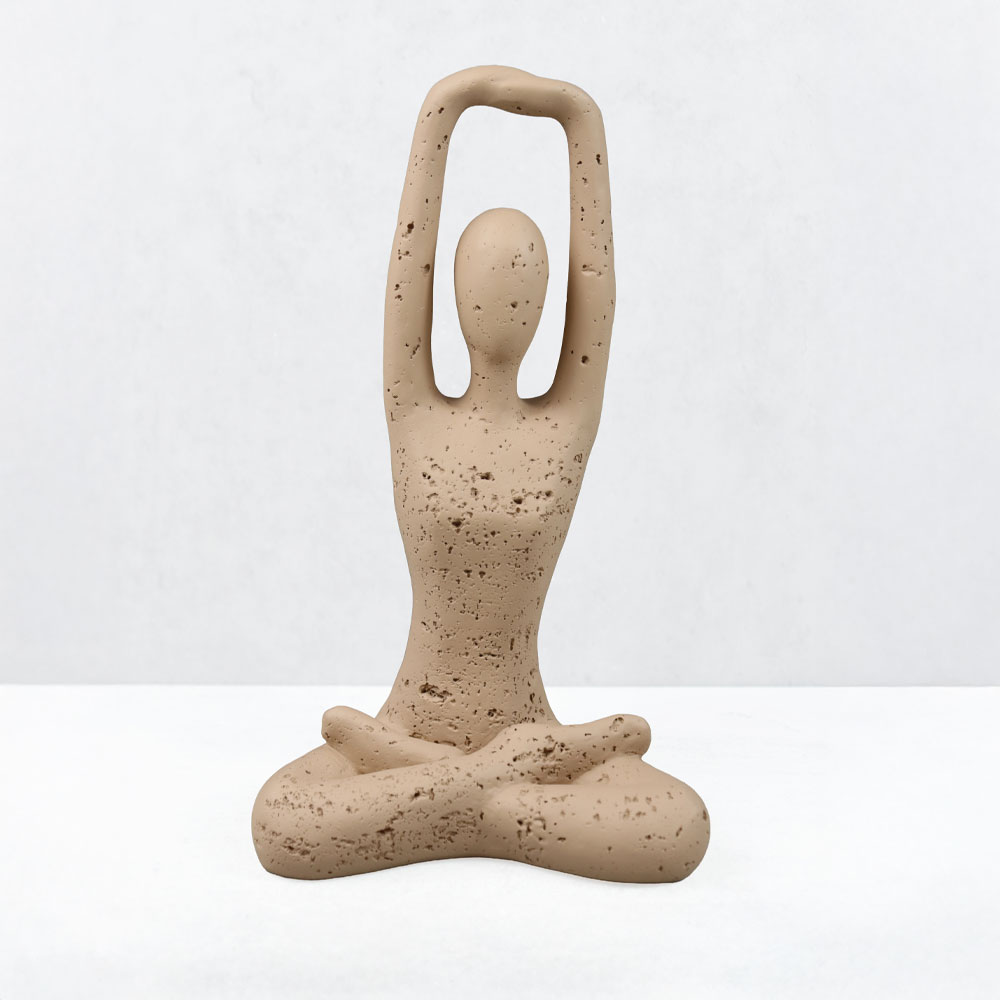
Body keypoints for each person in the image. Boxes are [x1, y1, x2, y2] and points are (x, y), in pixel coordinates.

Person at [252, 67, 709, 882]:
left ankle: (448, 807)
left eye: (526, 284)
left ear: (548, 303)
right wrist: (444, 109)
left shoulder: (561, 427)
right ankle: (489, 799)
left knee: (674, 827)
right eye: (485, 281)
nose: (504, 301)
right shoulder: (416, 415)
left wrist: (579, 119)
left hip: (525, 729)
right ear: (453, 295)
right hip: (411, 724)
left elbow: (599, 286)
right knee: (281, 822)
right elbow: (408, 261)